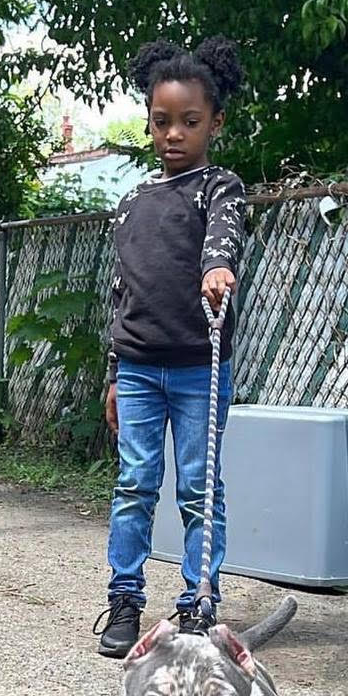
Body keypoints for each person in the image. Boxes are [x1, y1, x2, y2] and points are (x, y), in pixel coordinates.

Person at [93, 36, 247, 658]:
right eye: (162, 122)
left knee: (197, 487)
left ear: (215, 122)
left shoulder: (220, 187)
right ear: (149, 122)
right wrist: (112, 373)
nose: (174, 135)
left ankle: (198, 604)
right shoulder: (133, 202)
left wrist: (216, 271)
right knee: (134, 482)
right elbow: (122, 294)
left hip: (196, 372)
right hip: (135, 369)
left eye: (189, 122)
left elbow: (223, 236)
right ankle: (124, 600)